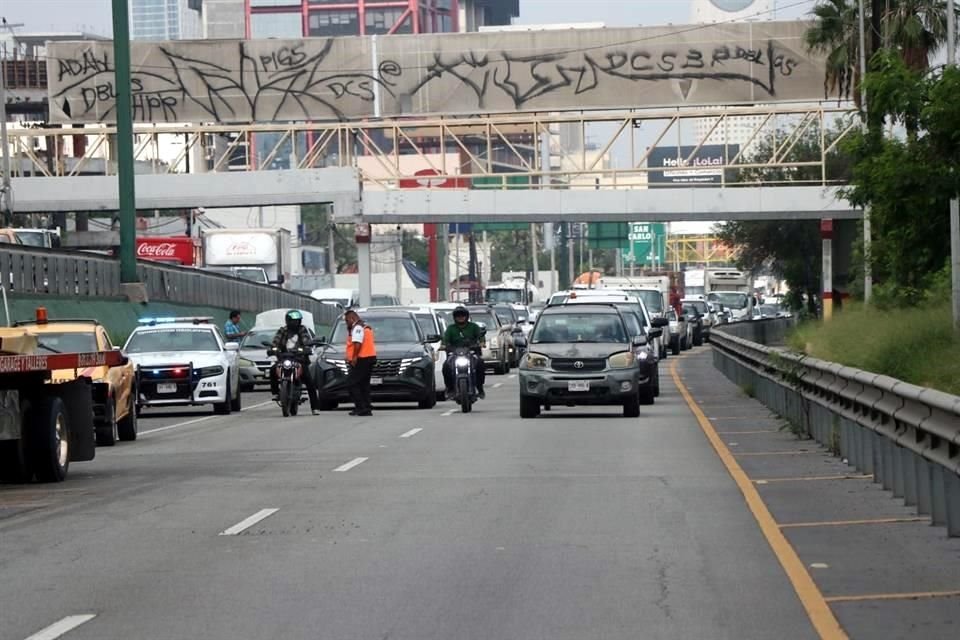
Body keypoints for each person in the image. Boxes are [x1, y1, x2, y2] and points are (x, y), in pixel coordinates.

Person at [270, 310, 320, 415]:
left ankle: (315, 407)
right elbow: (276, 341)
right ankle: (275, 393)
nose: (295, 323)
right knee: (272, 370)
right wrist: (273, 348)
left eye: (297, 321)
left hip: (299, 359)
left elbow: (306, 340)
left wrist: (306, 348)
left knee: (310, 382)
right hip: (284, 358)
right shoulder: (283, 330)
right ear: (288, 321)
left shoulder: (302, 330)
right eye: (293, 321)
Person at [441, 306, 485, 399]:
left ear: (467, 316)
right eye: (458, 315)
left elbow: (481, 336)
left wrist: (481, 343)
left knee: (480, 363)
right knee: (445, 366)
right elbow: (445, 340)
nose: (460, 317)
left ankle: (480, 387)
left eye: (462, 315)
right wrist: (443, 345)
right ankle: (450, 388)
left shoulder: (473, 326)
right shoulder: (450, 328)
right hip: (455, 354)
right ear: (454, 317)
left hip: (471, 352)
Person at [344, 309, 377, 417]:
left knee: (351, 383)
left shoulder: (357, 328)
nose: (346, 323)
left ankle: (361, 407)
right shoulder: (365, 326)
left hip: (362, 359)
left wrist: (354, 358)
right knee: (363, 384)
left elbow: (357, 344)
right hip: (369, 358)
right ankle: (366, 408)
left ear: (352, 318)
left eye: (347, 321)